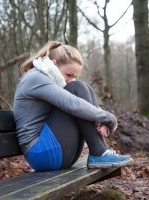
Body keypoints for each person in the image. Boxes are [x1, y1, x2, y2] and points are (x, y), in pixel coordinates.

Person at [13, 41, 133, 171]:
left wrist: (102, 118)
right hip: (41, 154)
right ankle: (99, 153)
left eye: (74, 76)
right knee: (77, 88)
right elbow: (72, 104)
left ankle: (101, 152)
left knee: (83, 87)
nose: (69, 80)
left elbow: (79, 104)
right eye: (68, 75)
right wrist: (107, 117)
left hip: (58, 152)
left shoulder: (48, 77)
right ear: (53, 64)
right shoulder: (35, 78)